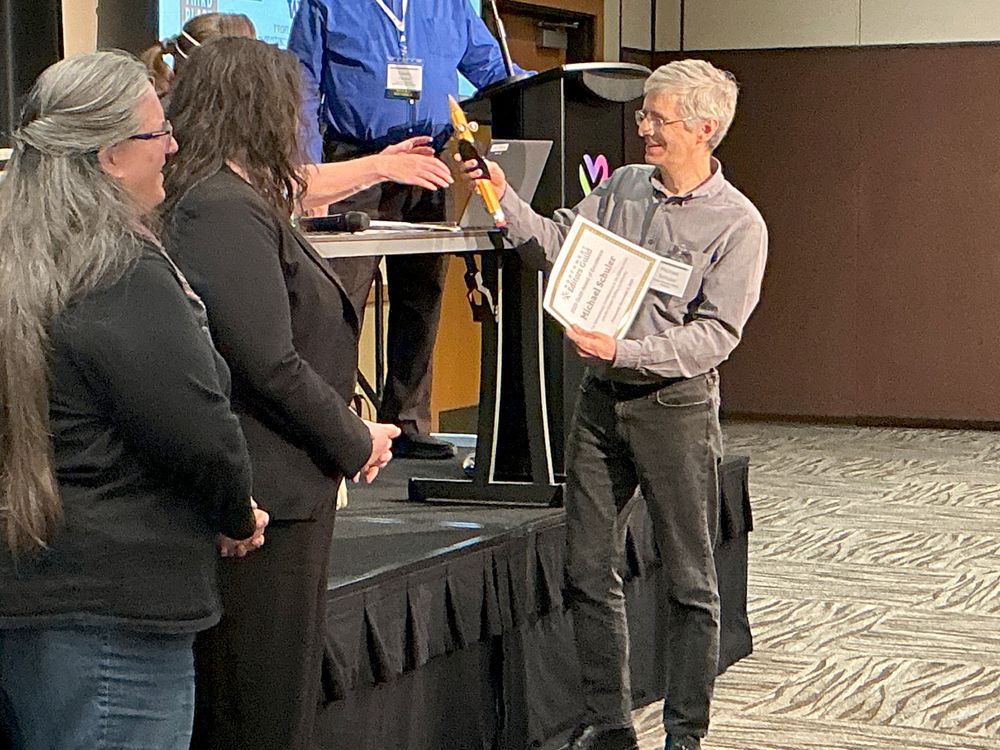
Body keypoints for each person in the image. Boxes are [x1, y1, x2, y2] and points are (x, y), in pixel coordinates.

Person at [463, 59, 768, 750]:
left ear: (705, 129)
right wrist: (506, 200)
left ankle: (685, 735)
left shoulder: (739, 225)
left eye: (658, 118)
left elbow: (714, 337)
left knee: (690, 581)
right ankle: (609, 727)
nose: (643, 128)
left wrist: (623, 352)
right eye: (644, 116)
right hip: (602, 405)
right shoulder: (625, 187)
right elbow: (559, 246)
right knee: (586, 567)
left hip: (675, 409)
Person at [0, 51, 266, 749]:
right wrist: (236, 511)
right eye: (158, 134)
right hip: (113, 622)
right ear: (111, 156)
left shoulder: (18, 260)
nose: (173, 148)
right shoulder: (120, 271)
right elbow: (198, 433)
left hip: (29, 602)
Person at [162, 37, 400, 750]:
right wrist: (355, 437)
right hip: (267, 500)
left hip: (289, 491)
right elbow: (265, 359)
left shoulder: (234, 198)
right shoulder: (219, 208)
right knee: (256, 711)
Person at [289, 0, 528, 459]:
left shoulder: (450, 6)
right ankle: (328, 426)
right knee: (339, 298)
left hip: (427, 164)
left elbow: (494, 72)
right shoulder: (327, 5)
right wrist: (310, 170)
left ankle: (407, 422)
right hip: (357, 162)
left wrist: (546, 87)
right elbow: (302, 85)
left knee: (422, 294)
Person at [141, 12, 453, 216]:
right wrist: (381, 166)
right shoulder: (185, 131)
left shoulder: (215, 122)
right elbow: (283, 187)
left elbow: (289, 187)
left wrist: (383, 164)